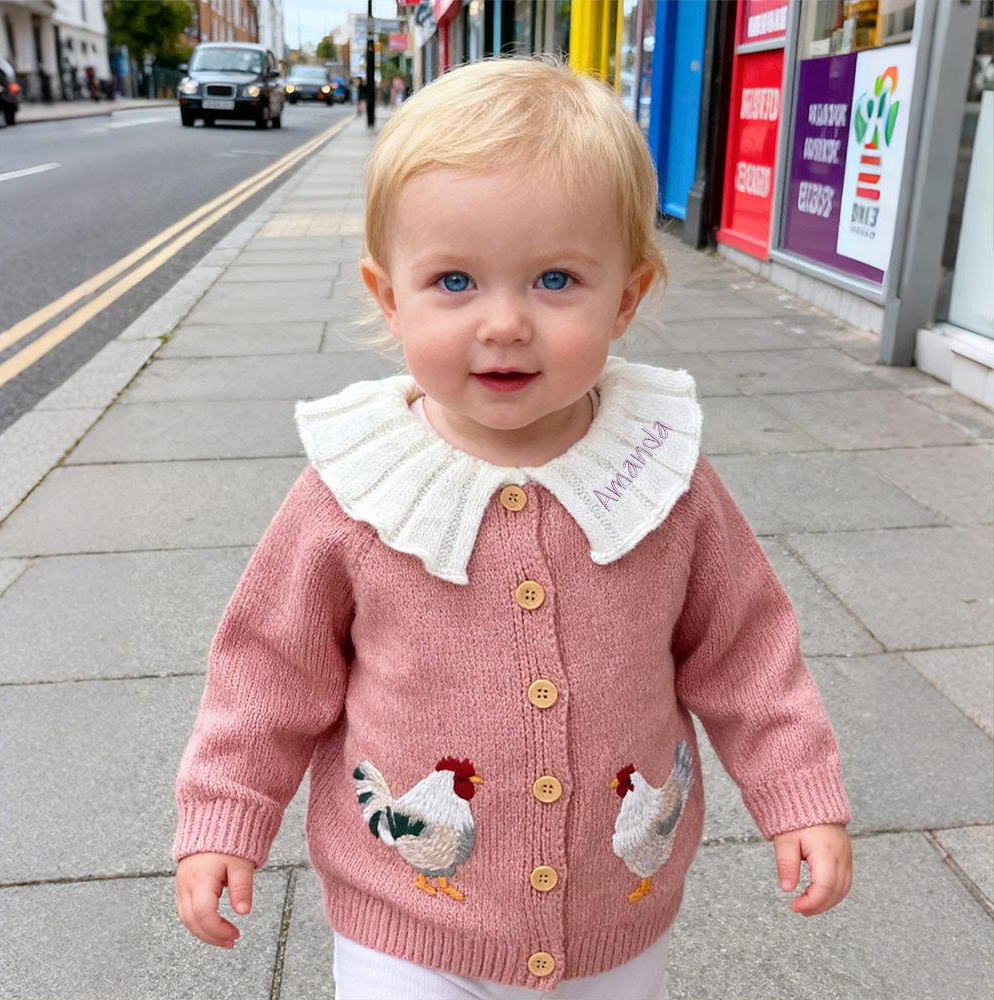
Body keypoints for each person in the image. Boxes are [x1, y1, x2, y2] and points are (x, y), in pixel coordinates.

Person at [174, 59, 852, 1000]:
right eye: (454, 280)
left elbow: (746, 651)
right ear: (387, 297)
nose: (504, 323)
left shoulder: (663, 480)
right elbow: (268, 669)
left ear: (626, 298)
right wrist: (224, 817)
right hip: (404, 920)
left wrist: (795, 795)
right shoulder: (357, 488)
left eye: (555, 279)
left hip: (616, 916)